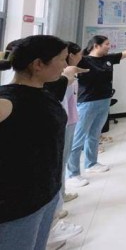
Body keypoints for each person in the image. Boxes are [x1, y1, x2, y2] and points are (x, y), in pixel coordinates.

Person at [0, 35, 86, 250]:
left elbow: (68, 74)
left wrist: (71, 70)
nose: (65, 64)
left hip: (47, 194)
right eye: (62, 59)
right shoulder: (7, 101)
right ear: (38, 64)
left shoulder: (46, 89)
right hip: (17, 205)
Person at [66, 36, 126, 188]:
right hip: (87, 103)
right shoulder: (83, 60)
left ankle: (91, 164)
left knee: (94, 135)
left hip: (104, 101)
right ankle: (72, 174)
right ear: (96, 45)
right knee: (78, 138)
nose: (109, 46)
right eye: (106, 44)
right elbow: (67, 68)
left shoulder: (108, 59)